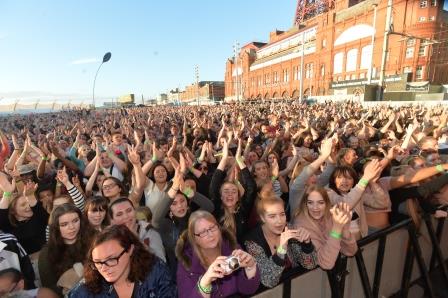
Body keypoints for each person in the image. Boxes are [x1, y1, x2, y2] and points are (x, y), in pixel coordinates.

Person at [69, 225, 176, 297]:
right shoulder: (86, 289)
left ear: (130, 249)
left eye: (111, 259)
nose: (104, 268)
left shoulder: (155, 271)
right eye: (97, 262)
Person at [176, 210, 260, 298]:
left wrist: (250, 267)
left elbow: (248, 290)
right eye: (203, 232)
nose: (210, 234)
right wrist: (205, 282)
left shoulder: (232, 247)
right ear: (194, 238)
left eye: (212, 228)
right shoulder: (186, 264)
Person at [244, 197, 317, 289]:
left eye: (282, 214)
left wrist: (307, 244)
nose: (279, 221)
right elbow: (268, 281)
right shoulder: (252, 242)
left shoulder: (288, 228)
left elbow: (311, 265)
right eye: (272, 216)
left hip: (295, 287)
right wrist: (281, 250)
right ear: (262, 218)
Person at [293, 186, 358, 269]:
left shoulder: (330, 215)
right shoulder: (301, 225)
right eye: (310, 202)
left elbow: (351, 251)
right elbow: (326, 264)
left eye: (320, 202)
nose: (315, 207)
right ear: (305, 204)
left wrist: (345, 229)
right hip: (307, 278)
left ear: (327, 203)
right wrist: (337, 229)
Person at [38, 204, 95, 296]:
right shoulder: (47, 253)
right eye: (64, 224)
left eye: (75, 221)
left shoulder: (93, 241)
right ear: (56, 227)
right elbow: (50, 288)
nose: (72, 227)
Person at [209, 139, 257, 243]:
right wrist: (224, 158)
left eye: (234, 191)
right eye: (226, 191)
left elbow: (251, 188)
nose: (230, 194)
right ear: (220, 196)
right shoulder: (216, 209)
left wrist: (239, 161)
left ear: (238, 196)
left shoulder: (243, 209)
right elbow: (214, 185)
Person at [108, 198, 166, 262]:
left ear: (135, 211)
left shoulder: (150, 232)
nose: (126, 216)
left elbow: (161, 262)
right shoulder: (110, 238)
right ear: (112, 220)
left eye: (129, 210)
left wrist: (137, 241)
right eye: (119, 214)